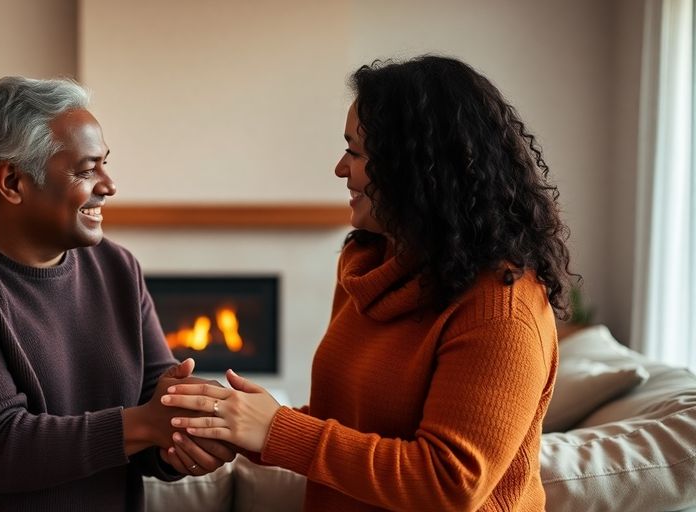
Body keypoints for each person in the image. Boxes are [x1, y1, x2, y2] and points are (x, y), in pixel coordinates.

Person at [163, 55, 573, 511]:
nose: (341, 169)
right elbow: (350, 432)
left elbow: (450, 483)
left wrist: (277, 429)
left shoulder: (501, 308)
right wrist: (234, 424)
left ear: (416, 167)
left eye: (357, 152)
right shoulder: (369, 270)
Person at [0, 76, 235, 511]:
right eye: (86, 170)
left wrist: (182, 436)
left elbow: (153, 402)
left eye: (104, 163)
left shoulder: (117, 268)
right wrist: (146, 425)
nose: (109, 185)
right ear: (12, 181)